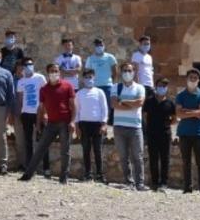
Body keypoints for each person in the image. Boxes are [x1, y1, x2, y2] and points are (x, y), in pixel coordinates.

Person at [18, 62, 76, 185]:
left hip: (65, 122)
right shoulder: (44, 89)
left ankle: (64, 177)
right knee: (40, 149)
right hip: (51, 123)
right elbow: (41, 108)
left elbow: (73, 105)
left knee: (65, 150)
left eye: (56, 71)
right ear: (48, 73)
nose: (54, 73)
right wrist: (38, 123)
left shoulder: (67, 86)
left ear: (59, 72)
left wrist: (72, 121)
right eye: (51, 71)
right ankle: (28, 175)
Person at [111, 62, 149, 191]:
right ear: (121, 72)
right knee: (123, 157)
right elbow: (114, 105)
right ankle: (129, 182)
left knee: (138, 156)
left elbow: (140, 103)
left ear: (134, 72)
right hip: (119, 126)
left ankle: (140, 183)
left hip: (135, 127)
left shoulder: (140, 88)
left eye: (130, 70)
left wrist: (123, 101)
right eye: (125, 70)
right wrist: (130, 104)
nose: (127, 73)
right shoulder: (115, 87)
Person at [12, 58, 48, 177]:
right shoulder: (21, 82)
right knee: (28, 141)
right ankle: (30, 167)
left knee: (43, 141)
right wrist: (20, 113)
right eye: (26, 65)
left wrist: (45, 113)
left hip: (39, 113)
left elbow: (46, 96)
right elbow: (21, 99)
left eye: (30, 64)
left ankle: (46, 168)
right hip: (26, 114)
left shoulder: (40, 78)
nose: (28, 66)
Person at [175, 68, 200, 194]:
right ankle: (187, 188)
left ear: (198, 80)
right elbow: (178, 114)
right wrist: (193, 112)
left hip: (199, 133)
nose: (193, 80)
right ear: (186, 79)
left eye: (195, 78)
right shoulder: (180, 95)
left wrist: (186, 111)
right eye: (191, 77)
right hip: (184, 133)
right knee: (186, 161)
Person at [74, 68, 109, 182]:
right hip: (84, 125)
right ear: (83, 79)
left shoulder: (99, 92)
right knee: (86, 150)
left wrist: (104, 124)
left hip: (97, 125)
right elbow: (77, 111)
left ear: (94, 78)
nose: (89, 79)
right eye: (86, 77)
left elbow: (104, 109)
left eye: (91, 77)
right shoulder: (79, 93)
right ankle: (87, 174)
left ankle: (99, 174)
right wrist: (77, 126)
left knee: (98, 150)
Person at [144, 76, 176, 191]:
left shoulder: (170, 103)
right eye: (160, 86)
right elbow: (146, 116)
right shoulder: (149, 101)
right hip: (152, 133)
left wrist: (166, 125)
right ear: (155, 87)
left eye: (164, 86)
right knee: (153, 158)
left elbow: (174, 118)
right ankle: (154, 182)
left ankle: (164, 182)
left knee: (165, 158)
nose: (162, 88)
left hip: (165, 133)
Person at [85, 38, 118, 125]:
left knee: (107, 106)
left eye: (101, 45)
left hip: (107, 86)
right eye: (97, 45)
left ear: (104, 46)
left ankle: (106, 126)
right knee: (96, 106)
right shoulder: (90, 58)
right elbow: (87, 72)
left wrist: (110, 81)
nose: (99, 47)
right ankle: (97, 125)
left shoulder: (110, 57)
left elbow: (115, 72)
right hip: (94, 86)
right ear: (94, 47)